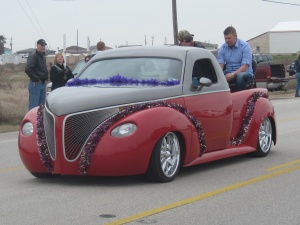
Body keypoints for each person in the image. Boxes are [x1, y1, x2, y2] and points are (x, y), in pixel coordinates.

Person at [217, 26, 253, 91]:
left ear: (235, 36)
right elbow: (220, 65)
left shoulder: (245, 46)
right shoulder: (222, 48)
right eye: (225, 38)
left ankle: (242, 96)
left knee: (240, 76)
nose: (227, 41)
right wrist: (221, 75)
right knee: (218, 77)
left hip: (244, 73)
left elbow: (244, 67)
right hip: (229, 73)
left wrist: (233, 74)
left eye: (229, 38)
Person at [25, 39, 48, 111]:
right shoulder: (33, 56)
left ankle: (40, 122)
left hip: (43, 84)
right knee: (34, 107)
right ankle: (32, 122)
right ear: (37, 45)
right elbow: (28, 69)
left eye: (44, 45)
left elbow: (42, 69)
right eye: (41, 45)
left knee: (41, 107)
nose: (43, 47)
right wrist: (37, 79)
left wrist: (45, 78)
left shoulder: (42, 56)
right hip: (36, 84)